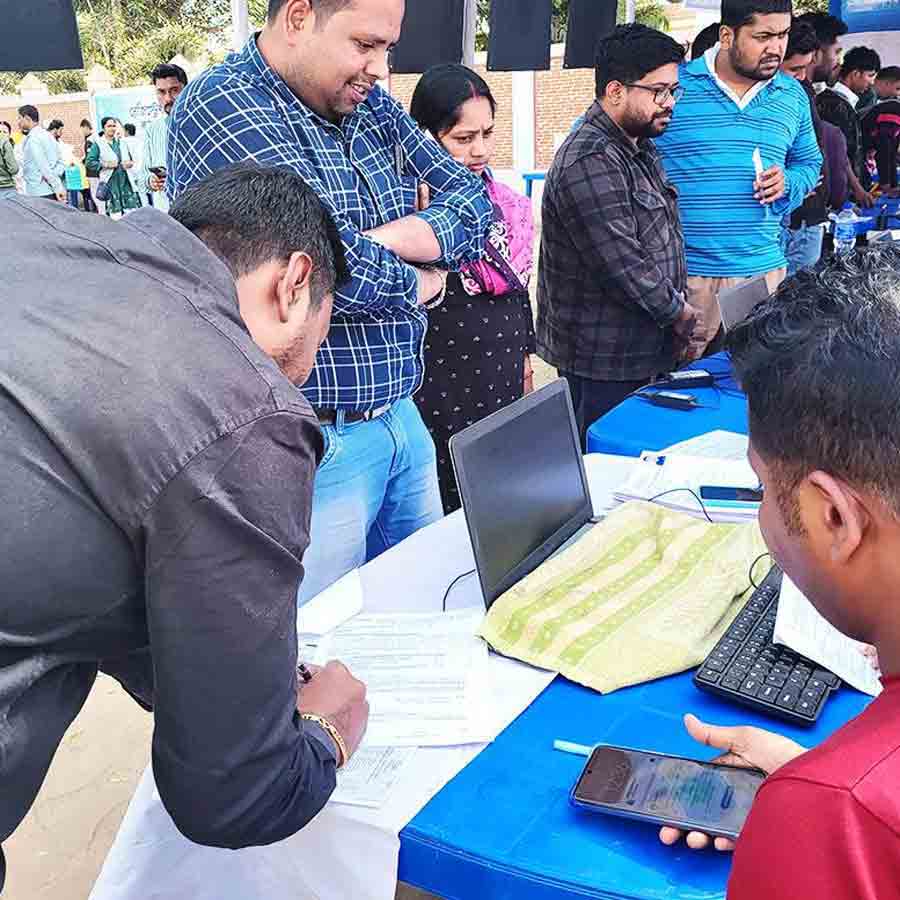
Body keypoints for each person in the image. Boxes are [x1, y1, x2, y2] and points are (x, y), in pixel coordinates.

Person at [0, 162, 370, 894]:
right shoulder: (241, 407)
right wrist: (328, 732)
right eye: (317, 344)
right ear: (293, 284)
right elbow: (231, 795)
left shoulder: (26, 226)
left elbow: (66, 525)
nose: (303, 372)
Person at [168, 0, 492, 604]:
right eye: (364, 44)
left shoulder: (369, 106)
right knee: (314, 651)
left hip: (401, 415)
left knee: (423, 624)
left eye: (386, 49)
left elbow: (475, 207)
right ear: (297, 18)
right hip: (313, 442)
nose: (379, 67)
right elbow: (306, 274)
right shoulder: (225, 106)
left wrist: (365, 242)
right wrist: (419, 278)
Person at [658, 243, 900, 899]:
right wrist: (823, 775)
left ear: (834, 519)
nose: (763, 517)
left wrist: (820, 804)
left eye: (763, 488)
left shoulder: (836, 820)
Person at [537, 24, 704, 447]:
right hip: (604, 363)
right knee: (609, 475)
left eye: (673, 92)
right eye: (659, 91)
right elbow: (624, 265)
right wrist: (681, 315)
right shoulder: (590, 158)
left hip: (643, 350)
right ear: (615, 90)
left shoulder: (638, 145)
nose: (670, 104)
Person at [655, 0, 821, 357]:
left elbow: (810, 161)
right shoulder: (675, 86)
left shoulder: (792, 95)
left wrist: (789, 182)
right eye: (763, 36)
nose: (776, 48)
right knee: (682, 393)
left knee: (756, 396)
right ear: (727, 35)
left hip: (764, 275)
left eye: (783, 35)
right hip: (687, 279)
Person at [409, 64, 536, 513]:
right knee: (445, 500)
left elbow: (519, 290)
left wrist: (524, 355)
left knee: (495, 489)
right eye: (463, 139)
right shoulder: (407, 213)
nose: (479, 150)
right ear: (424, 136)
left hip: (499, 369)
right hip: (438, 377)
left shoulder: (507, 207)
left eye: (487, 134)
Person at [779, 20, 829, 275]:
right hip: (790, 218)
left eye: (804, 68)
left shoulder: (799, 92)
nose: (801, 75)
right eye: (794, 68)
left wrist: (802, 180)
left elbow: (812, 156)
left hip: (803, 215)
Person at [816, 46, 880, 187]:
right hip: (837, 187)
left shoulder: (840, 102)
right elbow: (839, 153)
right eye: (870, 76)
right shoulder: (834, 105)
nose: (872, 82)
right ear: (856, 73)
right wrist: (857, 188)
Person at [136, 62, 188, 212]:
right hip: (166, 214)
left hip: (199, 214)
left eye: (174, 90)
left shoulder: (202, 122)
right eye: (161, 92)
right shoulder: (152, 130)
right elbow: (142, 177)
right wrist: (151, 181)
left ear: (186, 89)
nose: (168, 98)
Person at [86, 116, 142, 219]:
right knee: (115, 215)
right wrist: (105, 164)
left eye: (114, 126)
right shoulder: (98, 144)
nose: (112, 128)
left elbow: (133, 159)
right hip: (111, 182)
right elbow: (89, 162)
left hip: (125, 181)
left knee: (131, 212)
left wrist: (129, 163)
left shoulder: (121, 142)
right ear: (103, 128)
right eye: (109, 126)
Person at [17, 105, 65, 201]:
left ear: (27, 118)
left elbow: (42, 165)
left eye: (19, 118)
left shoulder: (33, 139)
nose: (18, 122)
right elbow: (60, 162)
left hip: (39, 192)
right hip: (49, 189)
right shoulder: (47, 135)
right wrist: (57, 185)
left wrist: (56, 186)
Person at [0, 121, 18, 198]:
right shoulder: (5, 144)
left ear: (10, 134)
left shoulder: (16, 146)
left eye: (5, 132)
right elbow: (14, 169)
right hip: (6, 187)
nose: (2, 134)